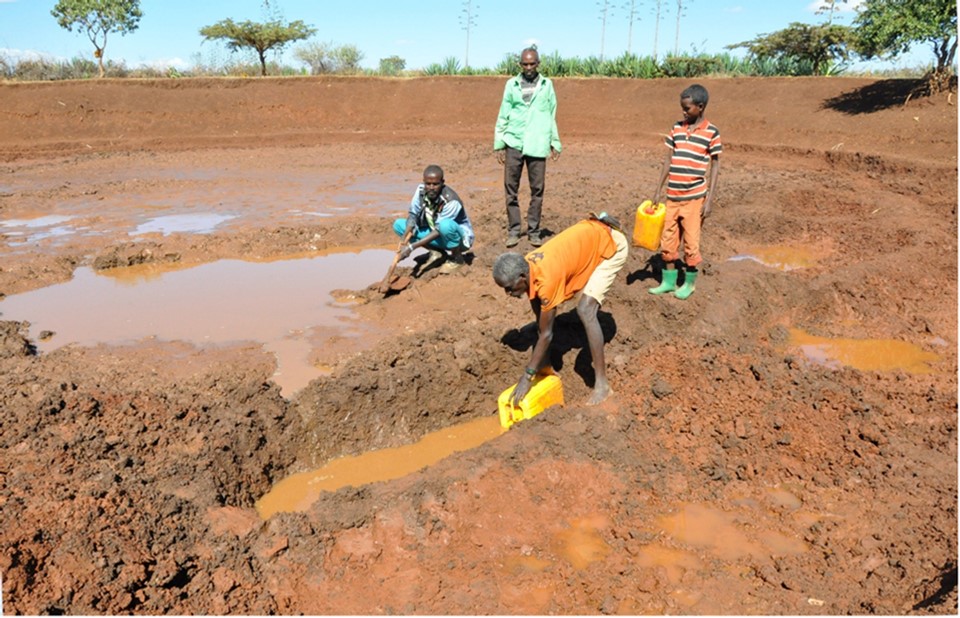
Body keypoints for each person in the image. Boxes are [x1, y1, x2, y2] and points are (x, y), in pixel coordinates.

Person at [492, 213, 628, 406]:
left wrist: (527, 376)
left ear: (522, 277)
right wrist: (544, 364)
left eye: (509, 287)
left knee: (586, 310)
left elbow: (547, 334)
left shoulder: (546, 281)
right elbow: (541, 321)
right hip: (591, 236)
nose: (508, 293)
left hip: (611, 245)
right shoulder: (528, 265)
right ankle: (547, 364)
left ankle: (602, 386)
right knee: (553, 318)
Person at [648, 83, 722, 300]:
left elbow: (716, 165)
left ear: (700, 107)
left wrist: (709, 200)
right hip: (673, 196)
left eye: (687, 108)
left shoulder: (711, 132)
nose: (683, 112)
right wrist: (657, 190)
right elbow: (668, 159)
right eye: (682, 108)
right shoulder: (676, 128)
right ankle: (668, 282)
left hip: (694, 199)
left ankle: (688, 284)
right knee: (668, 240)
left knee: (691, 242)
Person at [494, 47, 562, 249]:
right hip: (513, 142)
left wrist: (554, 142)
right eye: (525, 64)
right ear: (520, 65)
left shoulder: (547, 85)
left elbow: (552, 114)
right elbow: (503, 112)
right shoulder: (511, 85)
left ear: (538, 63)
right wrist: (499, 143)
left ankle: (534, 231)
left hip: (538, 143)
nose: (529, 67)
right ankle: (514, 230)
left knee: (537, 190)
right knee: (510, 189)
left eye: (532, 63)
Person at [392, 165, 474, 275]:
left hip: (458, 239)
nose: (431, 187)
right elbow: (413, 214)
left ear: (442, 182)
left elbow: (440, 229)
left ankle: (457, 258)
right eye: (428, 184)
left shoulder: (451, 200)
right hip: (437, 233)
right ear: (423, 182)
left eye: (435, 184)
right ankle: (437, 253)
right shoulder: (420, 190)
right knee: (399, 225)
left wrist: (412, 247)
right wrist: (405, 236)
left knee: (445, 225)